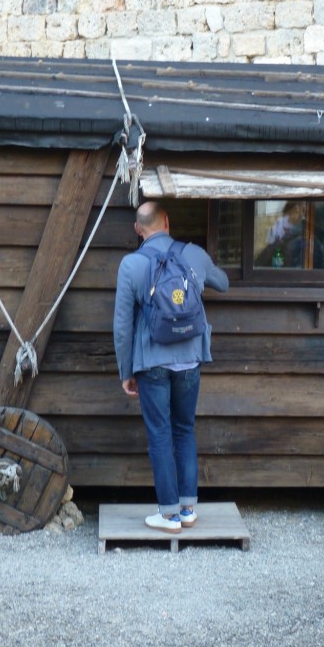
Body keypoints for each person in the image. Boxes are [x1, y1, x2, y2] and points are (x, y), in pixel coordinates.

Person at [113, 202, 229, 534]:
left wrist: (126, 371)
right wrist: (200, 271)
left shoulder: (131, 265)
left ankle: (168, 515)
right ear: (167, 222)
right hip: (190, 356)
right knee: (184, 429)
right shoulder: (192, 253)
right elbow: (222, 283)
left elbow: (122, 326)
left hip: (151, 361)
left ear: (139, 229)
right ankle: (188, 509)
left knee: (160, 435)